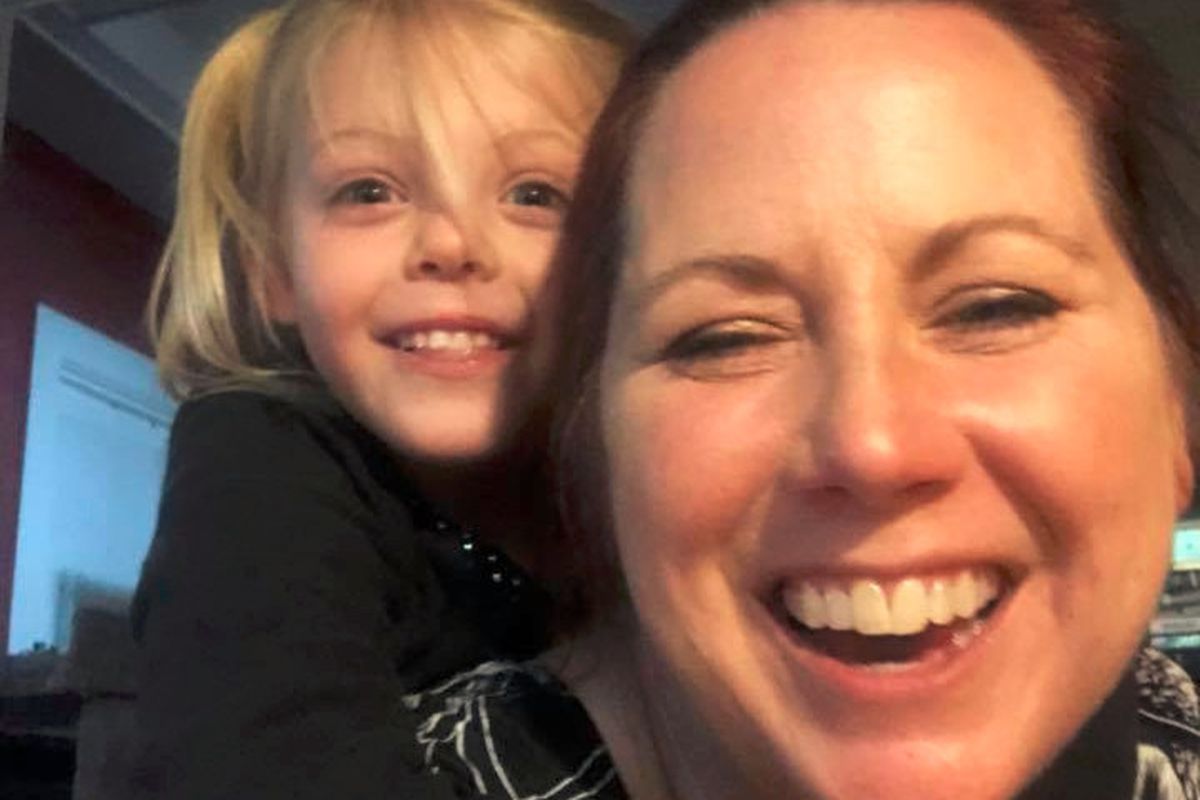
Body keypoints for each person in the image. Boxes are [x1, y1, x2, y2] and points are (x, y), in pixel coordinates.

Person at [402, 0, 1200, 797]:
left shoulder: (1170, 726)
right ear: (600, 464)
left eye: (995, 308)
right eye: (726, 339)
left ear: (1177, 409)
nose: (871, 445)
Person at [129, 0, 631, 797]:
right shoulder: (264, 457)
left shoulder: (628, 476)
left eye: (535, 194)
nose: (450, 245)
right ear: (275, 269)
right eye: (370, 191)